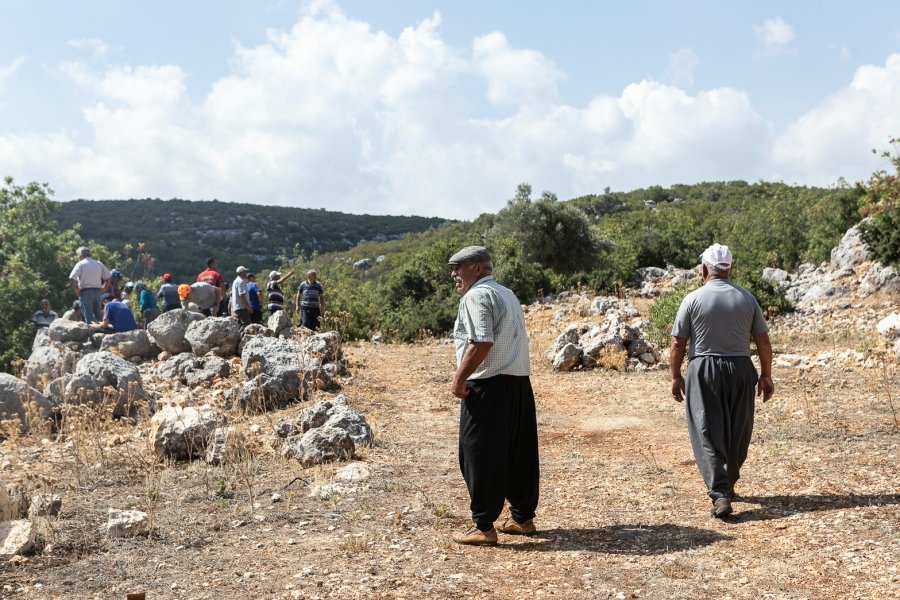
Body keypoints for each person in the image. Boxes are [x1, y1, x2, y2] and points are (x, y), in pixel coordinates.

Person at [669, 243, 775, 518]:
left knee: (705, 428)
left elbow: (678, 343)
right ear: (729, 269)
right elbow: (762, 340)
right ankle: (728, 481)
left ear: (704, 269)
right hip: (741, 368)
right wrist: (766, 374)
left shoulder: (692, 299)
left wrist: (675, 376)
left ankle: (719, 490)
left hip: (704, 368)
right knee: (738, 428)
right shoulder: (747, 298)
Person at [447, 246, 539, 546]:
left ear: (475, 267)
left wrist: (459, 379)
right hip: (518, 383)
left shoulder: (475, 296)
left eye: (457, 267)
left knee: (477, 453)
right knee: (518, 451)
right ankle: (522, 518)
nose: (453, 274)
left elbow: (481, 341)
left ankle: (484, 526)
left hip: (487, 384)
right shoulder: (507, 293)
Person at [69, 246, 111, 324]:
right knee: (99, 316)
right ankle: (101, 333)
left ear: (81, 255)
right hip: (98, 292)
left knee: (88, 317)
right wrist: (104, 288)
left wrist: (77, 290)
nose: (78, 257)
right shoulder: (98, 263)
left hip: (86, 292)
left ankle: (91, 334)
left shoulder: (80, 264)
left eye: (78, 255)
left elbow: (72, 278)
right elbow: (108, 277)